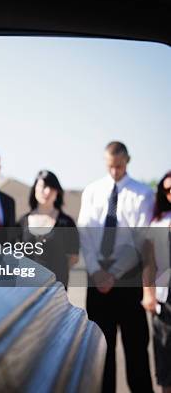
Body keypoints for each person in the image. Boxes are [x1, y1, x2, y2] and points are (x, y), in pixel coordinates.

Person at [77, 141, 154, 393]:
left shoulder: (143, 194)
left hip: (128, 281)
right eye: (110, 166)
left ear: (127, 160)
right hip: (96, 279)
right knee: (101, 349)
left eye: (119, 166)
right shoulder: (92, 191)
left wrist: (114, 274)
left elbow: (140, 239)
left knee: (136, 349)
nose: (114, 172)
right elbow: (84, 234)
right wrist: (97, 271)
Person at [16, 170, 79, 288]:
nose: (48, 191)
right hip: (26, 288)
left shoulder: (67, 223)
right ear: (35, 189)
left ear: (58, 192)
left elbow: (73, 257)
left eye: (52, 187)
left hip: (55, 288)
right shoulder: (22, 222)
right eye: (44, 186)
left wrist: (57, 273)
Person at [141, 171, 171, 393]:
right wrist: (148, 294)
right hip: (165, 297)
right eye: (168, 190)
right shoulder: (159, 223)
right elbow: (149, 262)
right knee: (165, 358)